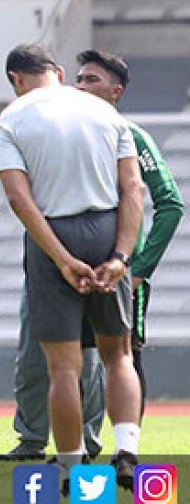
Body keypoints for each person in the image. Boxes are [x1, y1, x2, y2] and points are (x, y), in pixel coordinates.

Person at [0, 43, 143, 490]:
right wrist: (119, 256)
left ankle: (72, 468)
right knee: (119, 355)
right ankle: (128, 453)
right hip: (105, 227)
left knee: (63, 367)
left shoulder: (11, 119)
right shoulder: (105, 113)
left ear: (17, 79)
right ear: (57, 72)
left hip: (52, 234)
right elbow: (132, 188)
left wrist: (61, 258)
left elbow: (19, 199)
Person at [73, 49, 183, 420]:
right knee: (69, 358)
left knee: (125, 357)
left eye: (92, 80)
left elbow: (171, 204)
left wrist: (139, 267)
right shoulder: (64, 139)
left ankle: (126, 450)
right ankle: (77, 449)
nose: (81, 86)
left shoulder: (132, 137)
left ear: (116, 92)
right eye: (79, 79)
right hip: (72, 267)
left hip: (121, 271)